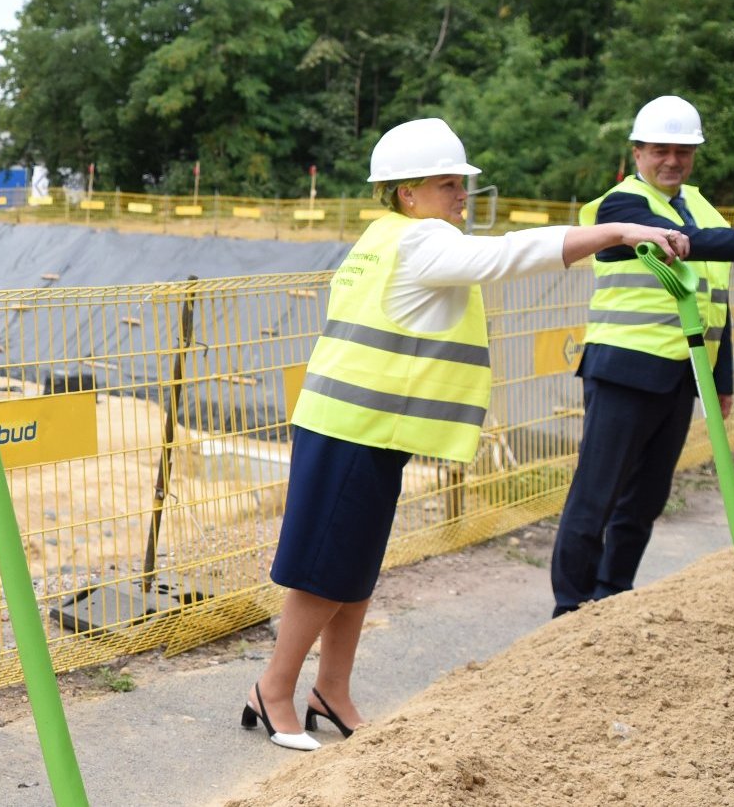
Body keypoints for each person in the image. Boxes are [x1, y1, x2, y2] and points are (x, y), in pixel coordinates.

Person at [246, 118, 685, 750]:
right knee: (322, 573)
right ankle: (274, 690)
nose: (462, 196)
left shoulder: (383, 236)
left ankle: (331, 690)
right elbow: (505, 255)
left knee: (354, 567)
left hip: (362, 424)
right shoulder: (423, 240)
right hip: (353, 427)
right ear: (407, 192)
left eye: (461, 184)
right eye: (449, 184)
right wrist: (614, 230)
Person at [549, 95, 734, 617]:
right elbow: (698, 244)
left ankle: (612, 596)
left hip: (683, 379)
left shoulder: (701, 207)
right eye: (660, 150)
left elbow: (716, 300)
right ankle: (569, 609)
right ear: (637, 153)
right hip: (624, 371)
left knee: (645, 502)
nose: (672, 161)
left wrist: (720, 380)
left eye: (683, 151)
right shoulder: (620, 206)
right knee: (596, 497)